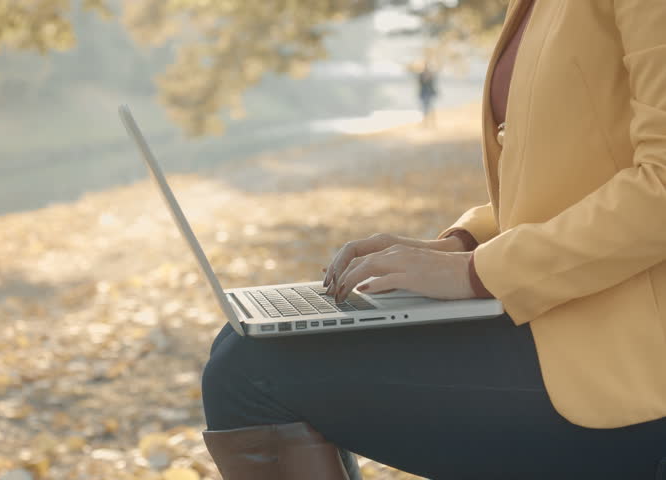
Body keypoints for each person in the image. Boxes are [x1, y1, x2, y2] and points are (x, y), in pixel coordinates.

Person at [200, 1, 666, 479]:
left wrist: (476, 273)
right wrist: (463, 244)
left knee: (250, 372)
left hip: (632, 362)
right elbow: (570, 174)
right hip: (568, 313)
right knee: (242, 346)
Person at [417, 63, 438, 128]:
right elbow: (420, 83)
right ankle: (425, 122)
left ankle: (431, 122)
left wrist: (429, 77)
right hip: (424, 94)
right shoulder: (421, 75)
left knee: (430, 108)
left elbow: (433, 84)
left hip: (429, 94)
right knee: (425, 108)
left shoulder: (431, 75)